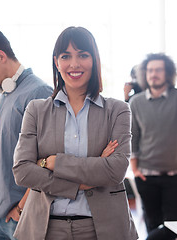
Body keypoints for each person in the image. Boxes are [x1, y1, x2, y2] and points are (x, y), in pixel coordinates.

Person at [12, 26, 138, 240]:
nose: (74, 64)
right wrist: (88, 176)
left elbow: (115, 171)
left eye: (83, 55)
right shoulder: (36, 110)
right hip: (44, 229)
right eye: (66, 56)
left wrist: (52, 162)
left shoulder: (117, 110)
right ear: (56, 62)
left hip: (103, 230)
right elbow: (22, 171)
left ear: (94, 59)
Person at [0, 29, 53, 239]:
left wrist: (21, 209)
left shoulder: (40, 93)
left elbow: (47, 162)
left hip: (21, 216)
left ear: (1, 55)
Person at [130, 53, 177, 240]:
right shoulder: (136, 102)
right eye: (150, 70)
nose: (153, 74)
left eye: (158, 70)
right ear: (145, 74)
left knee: (175, 229)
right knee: (152, 226)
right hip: (146, 178)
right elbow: (133, 137)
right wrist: (135, 169)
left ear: (168, 73)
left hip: (175, 177)